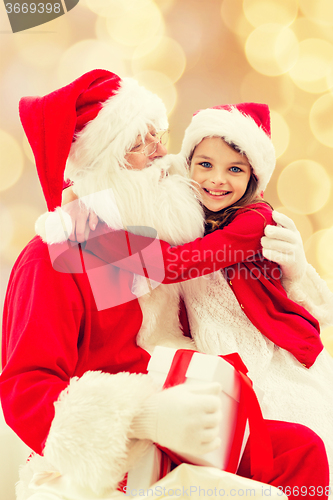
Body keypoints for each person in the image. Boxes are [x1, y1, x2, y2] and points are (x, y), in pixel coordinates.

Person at [0, 70, 330, 500]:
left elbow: (243, 311)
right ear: (105, 161)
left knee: (302, 452)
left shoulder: (161, 233)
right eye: (141, 142)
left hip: (195, 421)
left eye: (159, 134)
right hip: (118, 451)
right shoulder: (56, 255)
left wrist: (294, 275)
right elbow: (26, 390)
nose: (161, 151)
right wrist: (144, 416)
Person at [81, 102, 333, 485]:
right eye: (205, 165)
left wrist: (103, 238)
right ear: (188, 164)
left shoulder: (254, 220)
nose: (217, 180)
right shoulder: (188, 212)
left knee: (294, 442)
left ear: (253, 179)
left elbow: (182, 265)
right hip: (215, 354)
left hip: (271, 353)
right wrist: (83, 211)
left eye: (235, 169)